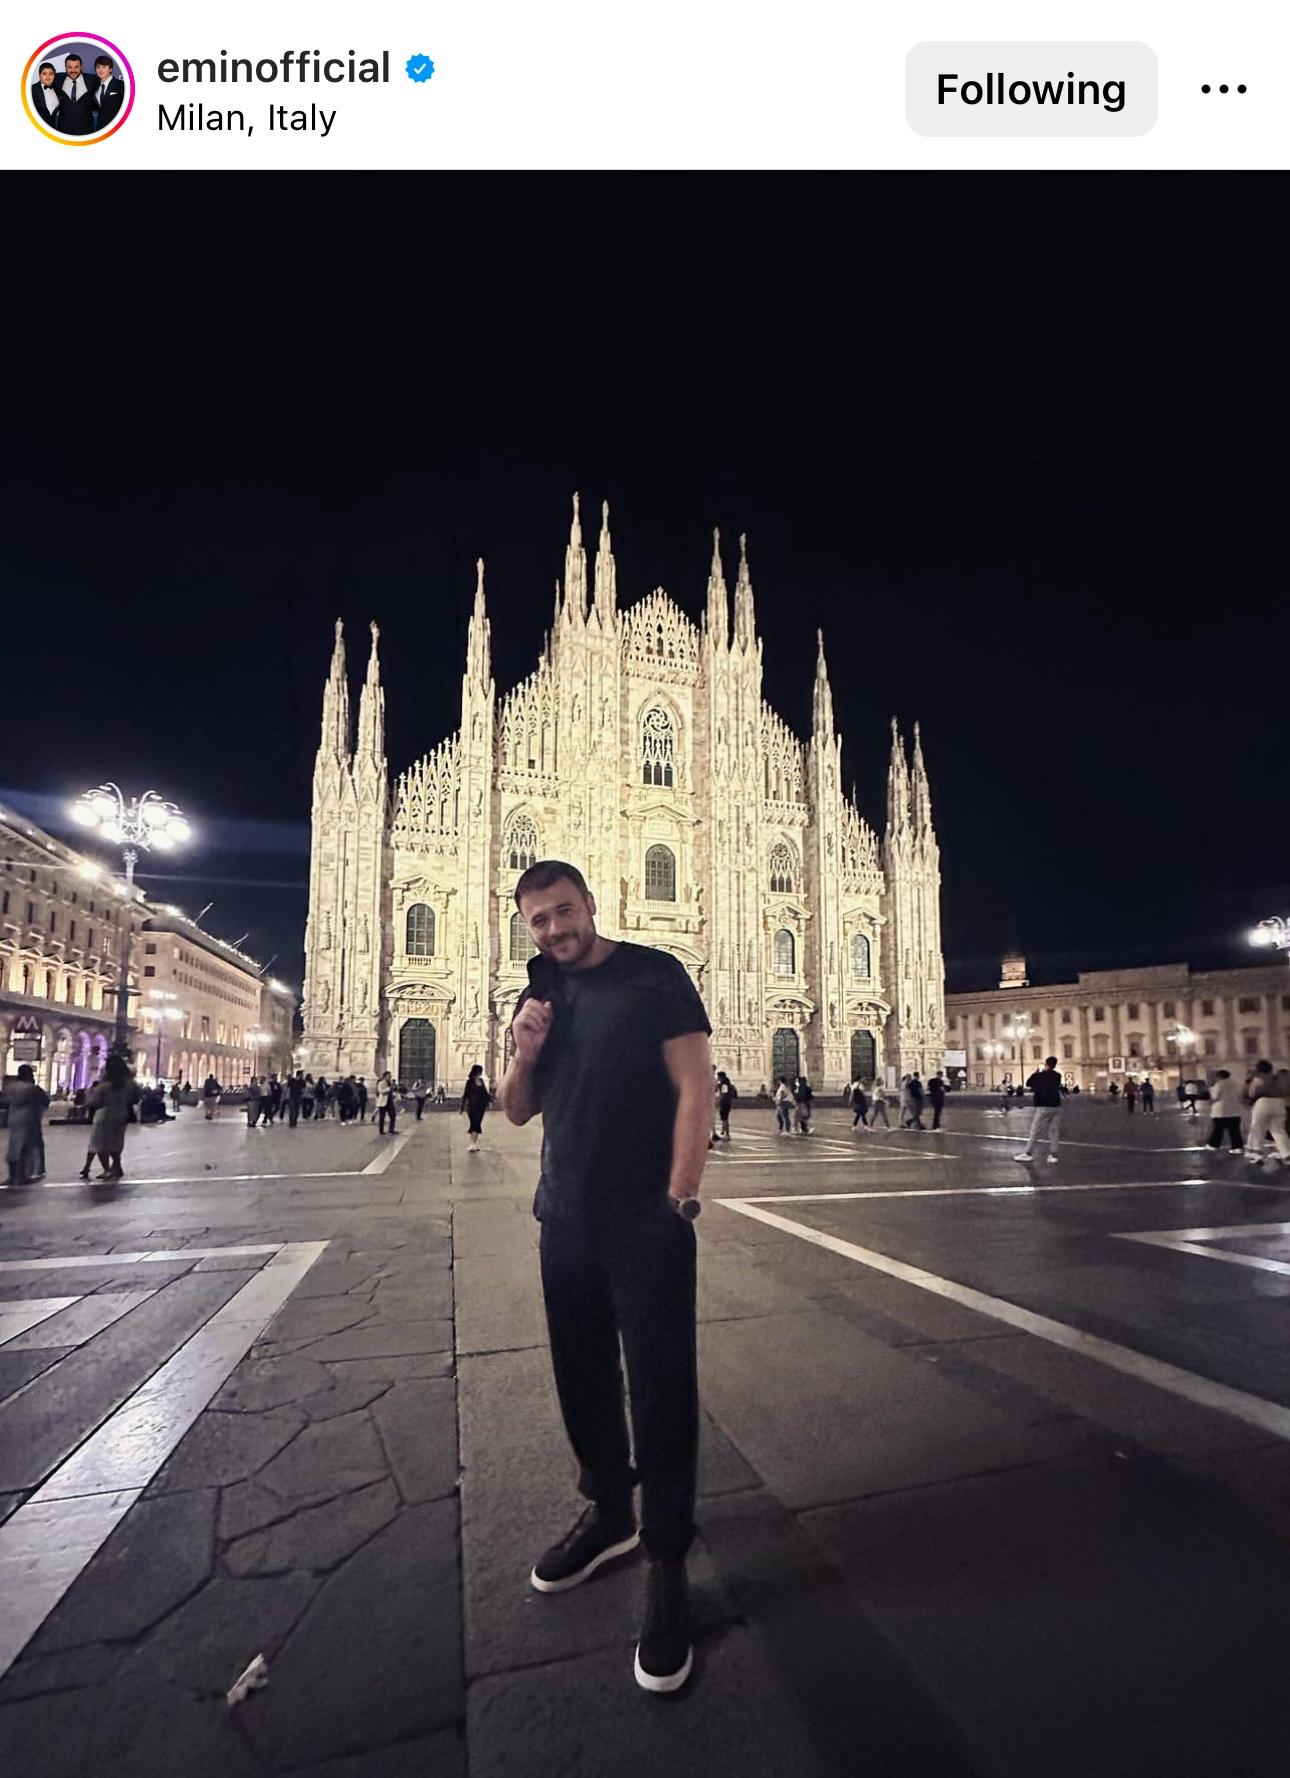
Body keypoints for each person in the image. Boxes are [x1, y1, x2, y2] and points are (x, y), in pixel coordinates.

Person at [501, 859, 711, 1695]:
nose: (555, 928)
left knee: (661, 1389)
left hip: (645, 1220)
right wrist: (524, 1051)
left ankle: (666, 1556)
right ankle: (611, 1513)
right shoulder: (543, 988)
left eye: (564, 911)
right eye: (539, 919)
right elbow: (518, 1107)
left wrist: (679, 1200)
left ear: (589, 905)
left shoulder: (656, 973)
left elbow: (695, 1087)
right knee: (582, 1377)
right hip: (566, 1216)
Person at [78, 1053, 140, 1181]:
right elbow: (136, 1097)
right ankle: (116, 1167)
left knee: (100, 1144)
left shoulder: (105, 1084)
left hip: (104, 1115)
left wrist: (89, 1095)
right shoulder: (128, 1083)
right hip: (121, 1114)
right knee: (115, 1143)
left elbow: (95, 1102)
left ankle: (107, 1170)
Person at [1014, 1056, 1063, 1165]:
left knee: (1035, 1130)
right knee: (1054, 1131)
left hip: (1043, 1105)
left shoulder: (1038, 1076)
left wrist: (1037, 1071)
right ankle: (1053, 1155)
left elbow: (1028, 1083)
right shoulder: (1058, 1076)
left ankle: (1028, 1153)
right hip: (1057, 1105)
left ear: (1046, 1064)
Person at [5, 1065, 49, 1187]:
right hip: (29, 1118)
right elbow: (44, 1101)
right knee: (26, 1147)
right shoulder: (32, 1088)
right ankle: (23, 1175)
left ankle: (12, 1175)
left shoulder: (10, 1087)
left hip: (13, 1116)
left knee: (14, 1146)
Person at [1245, 1061, 1290, 1168]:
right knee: (1278, 1130)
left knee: (1257, 1128)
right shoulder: (1278, 1079)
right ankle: (1287, 1153)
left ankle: (1255, 1152)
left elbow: (1252, 1093)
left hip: (1263, 1103)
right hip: (1280, 1103)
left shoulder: (1258, 1079)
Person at [1205, 1070, 1244, 1154]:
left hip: (1221, 1111)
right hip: (1235, 1111)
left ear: (1219, 1076)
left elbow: (1214, 1097)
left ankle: (1213, 1145)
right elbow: (1240, 1095)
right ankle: (1237, 1147)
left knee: (1218, 1129)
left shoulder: (1219, 1084)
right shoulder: (1235, 1084)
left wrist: (1210, 1089)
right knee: (1235, 1131)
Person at [57, 54, 97, 136]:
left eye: (76, 67)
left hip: (86, 130)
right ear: (65, 67)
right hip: (63, 130)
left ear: (81, 67)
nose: (73, 70)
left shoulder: (93, 80)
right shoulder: (57, 78)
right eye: (69, 67)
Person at [461, 1064, 490, 1151]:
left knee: (478, 1124)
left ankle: (475, 1143)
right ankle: (472, 1143)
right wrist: (462, 1106)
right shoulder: (469, 1082)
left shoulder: (481, 1081)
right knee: (474, 1124)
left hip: (481, 1106)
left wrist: (490, 1101)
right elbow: (465, 1094)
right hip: (472, 1106)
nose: (481, 1072)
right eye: (480, 1071)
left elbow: (485, 1093)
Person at [91, 54, 125, 129]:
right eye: (98, 67)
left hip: (117, 126)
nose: (100, 70)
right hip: (100, 127)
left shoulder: (121, 85)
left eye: (104, 67)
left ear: (110, 69)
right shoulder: (95, 87)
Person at [31, 62, 63, 129]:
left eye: (51, 74)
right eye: (44, 74)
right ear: (39, 75)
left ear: (54, 75)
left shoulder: (57, 89)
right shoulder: (32, 89)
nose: (48, 77)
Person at [715, 1071, 737, 1140]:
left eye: (718, 1076)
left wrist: (718, 1101)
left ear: (720, 1077)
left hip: (725, 1103)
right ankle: (724, 1131)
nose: (717, 1078)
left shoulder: (724, 1084)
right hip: (727, 1102)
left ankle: (727, 1134)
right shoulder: (726, 1083)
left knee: (725, 1119)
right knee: (724, 1118)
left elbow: (723, 1093)